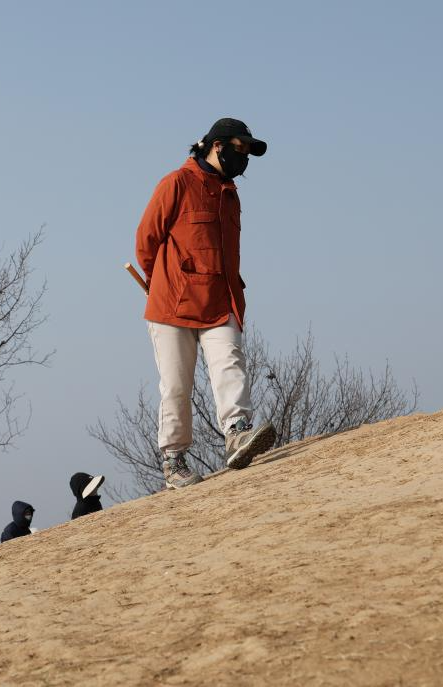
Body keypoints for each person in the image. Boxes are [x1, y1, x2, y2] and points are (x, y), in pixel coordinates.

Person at [135, 117, 278, 490]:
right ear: (217, 146)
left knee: (230, 361)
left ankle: (238, 432)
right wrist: (160, 282)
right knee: (176, 386)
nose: (243, 157)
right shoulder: (176, 183)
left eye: (248, 152)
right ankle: (174, 460)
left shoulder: (230, 194)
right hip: (172, 304)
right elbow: (146, 240)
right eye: (240, 148)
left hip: (220, 298)